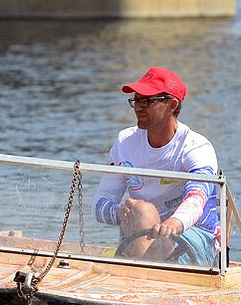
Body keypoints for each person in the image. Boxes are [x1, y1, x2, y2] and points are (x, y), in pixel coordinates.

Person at [93, 67, 221, 265]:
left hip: (195, 239)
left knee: (143, 211)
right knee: (140, 210)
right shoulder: (125, 141)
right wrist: (121, 213)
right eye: (136, 101)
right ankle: (139, 273)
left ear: (171, 104)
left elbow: (196, 199)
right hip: (138, 235)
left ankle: (139, 277)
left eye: (146, 101)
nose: (137, 107)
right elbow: (100, 204)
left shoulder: (196, 148)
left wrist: (173, 223)